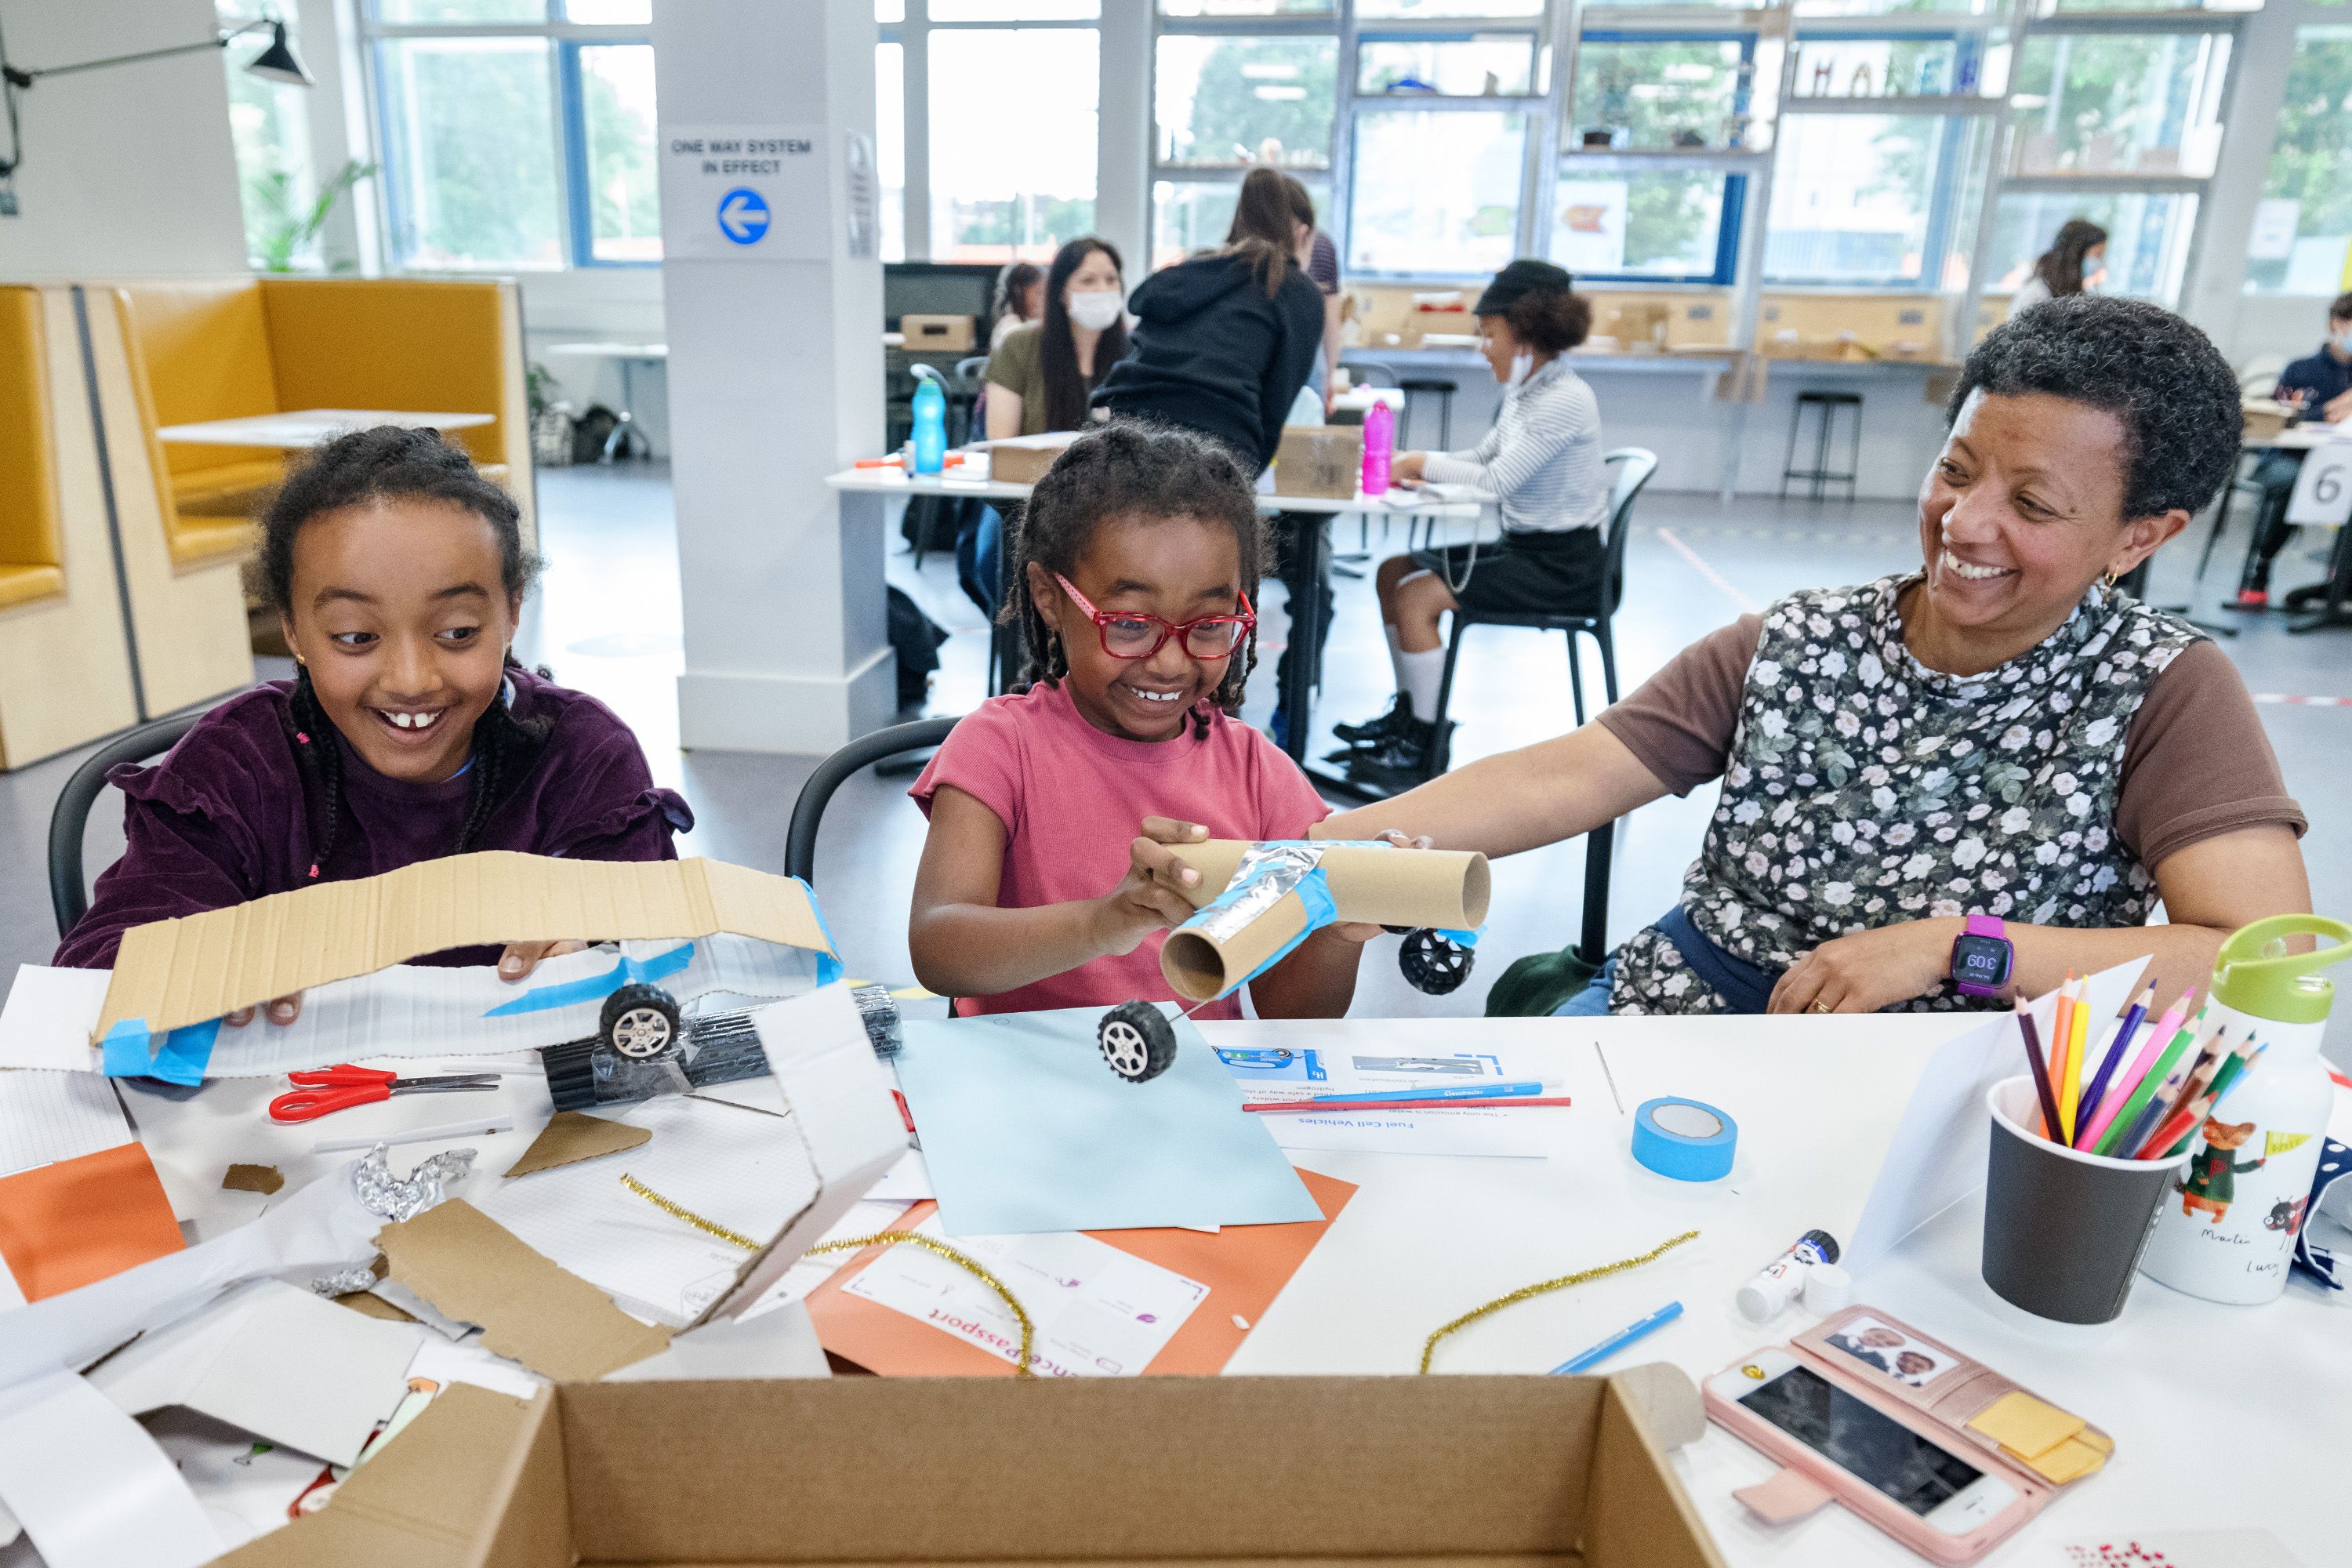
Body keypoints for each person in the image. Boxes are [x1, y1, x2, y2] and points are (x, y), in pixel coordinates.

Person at [1311, 296, 2309, 1017]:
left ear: (2141, 536)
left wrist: (1962, 949)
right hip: (1687, 1020)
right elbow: (1567, 772)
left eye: (2034, 505)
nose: (1966, 521)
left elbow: (2257, 957)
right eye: (1954, 470)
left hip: (1943, 1096)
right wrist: (1315, 846)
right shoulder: (1800, 641)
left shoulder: (2160, 689)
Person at [55, 427, 693, 1021]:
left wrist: (603, 938)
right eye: (356, 637)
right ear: (294, 630)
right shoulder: (235, 769)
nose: (412, 679)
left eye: (458, 633)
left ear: (513, 612)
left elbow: (661, 943)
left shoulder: (579, 753)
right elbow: (93, 975)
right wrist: (193, 971)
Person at [907, 423, 1377, 1020]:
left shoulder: (1259, 774)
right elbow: (938, 950)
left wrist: (1339, 934)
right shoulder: (998, 747)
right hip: (1023, 1089)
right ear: (1050, 598)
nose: (1170, 661)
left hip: (1194, 1088)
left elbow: (1295, 1015)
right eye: (1129, 624)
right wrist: (1101, 924)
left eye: (1209, 626)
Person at [1329, 260, 1610, 791]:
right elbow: (1484, 454)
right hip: (1526, 549)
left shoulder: (1563, 401)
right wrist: (1420, 463)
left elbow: (1497, 479)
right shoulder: (1528, 393)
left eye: (1489, 335)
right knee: (1393, 572)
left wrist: (1418, 464)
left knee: (1416, 598)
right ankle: (1408, 716)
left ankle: (1424, 746)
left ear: (1525, 334)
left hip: (1563, 568)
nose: (1484, 348)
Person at [1090, 165, 1324, 474]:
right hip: (1215, 446)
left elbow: (1142, 318)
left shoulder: (1195, 270)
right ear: (1302, 233)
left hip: (1120, 431)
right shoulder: (1292, 288)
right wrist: (1245, 478)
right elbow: (1274, 408)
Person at [960, 238, 1131, 620]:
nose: (1102, 290)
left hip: (1114, 507)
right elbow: (1001, 444)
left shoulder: (1135, 355)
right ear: (1062, 292)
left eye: (1110, 280)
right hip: (1028, 503)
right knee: (997, 562)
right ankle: (1032, 656)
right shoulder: (1021, 347)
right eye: (1087, 281)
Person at [2234, 291, 2352, 608]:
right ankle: (2259, 568)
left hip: (2343, 461)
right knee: (2291, 479)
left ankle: (2341, 583)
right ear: (2336, 324)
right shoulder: (2301, 370)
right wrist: (2330, 411)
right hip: (2290, 457)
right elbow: (2280, 420)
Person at [1281, 173, 1342, 413]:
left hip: (1303, 361)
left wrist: (1329, 378)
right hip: (1306, 360)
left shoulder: (1321, 246)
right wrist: (1330, 378)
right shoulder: (1323, 244)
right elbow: (1331, 321)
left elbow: (1331, 320)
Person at [2009, 220, 2107, 312]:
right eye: (2097, 254)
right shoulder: (2036, 293)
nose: (2099, 262)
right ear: (2076, 255)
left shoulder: (2076, 292)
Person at [988, 260, 1044, 351]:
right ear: (1018, 292)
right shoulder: (1009, 327)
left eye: (1046, 294)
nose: (1043, 300)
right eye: (1038, 293)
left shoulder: (1030, 322)